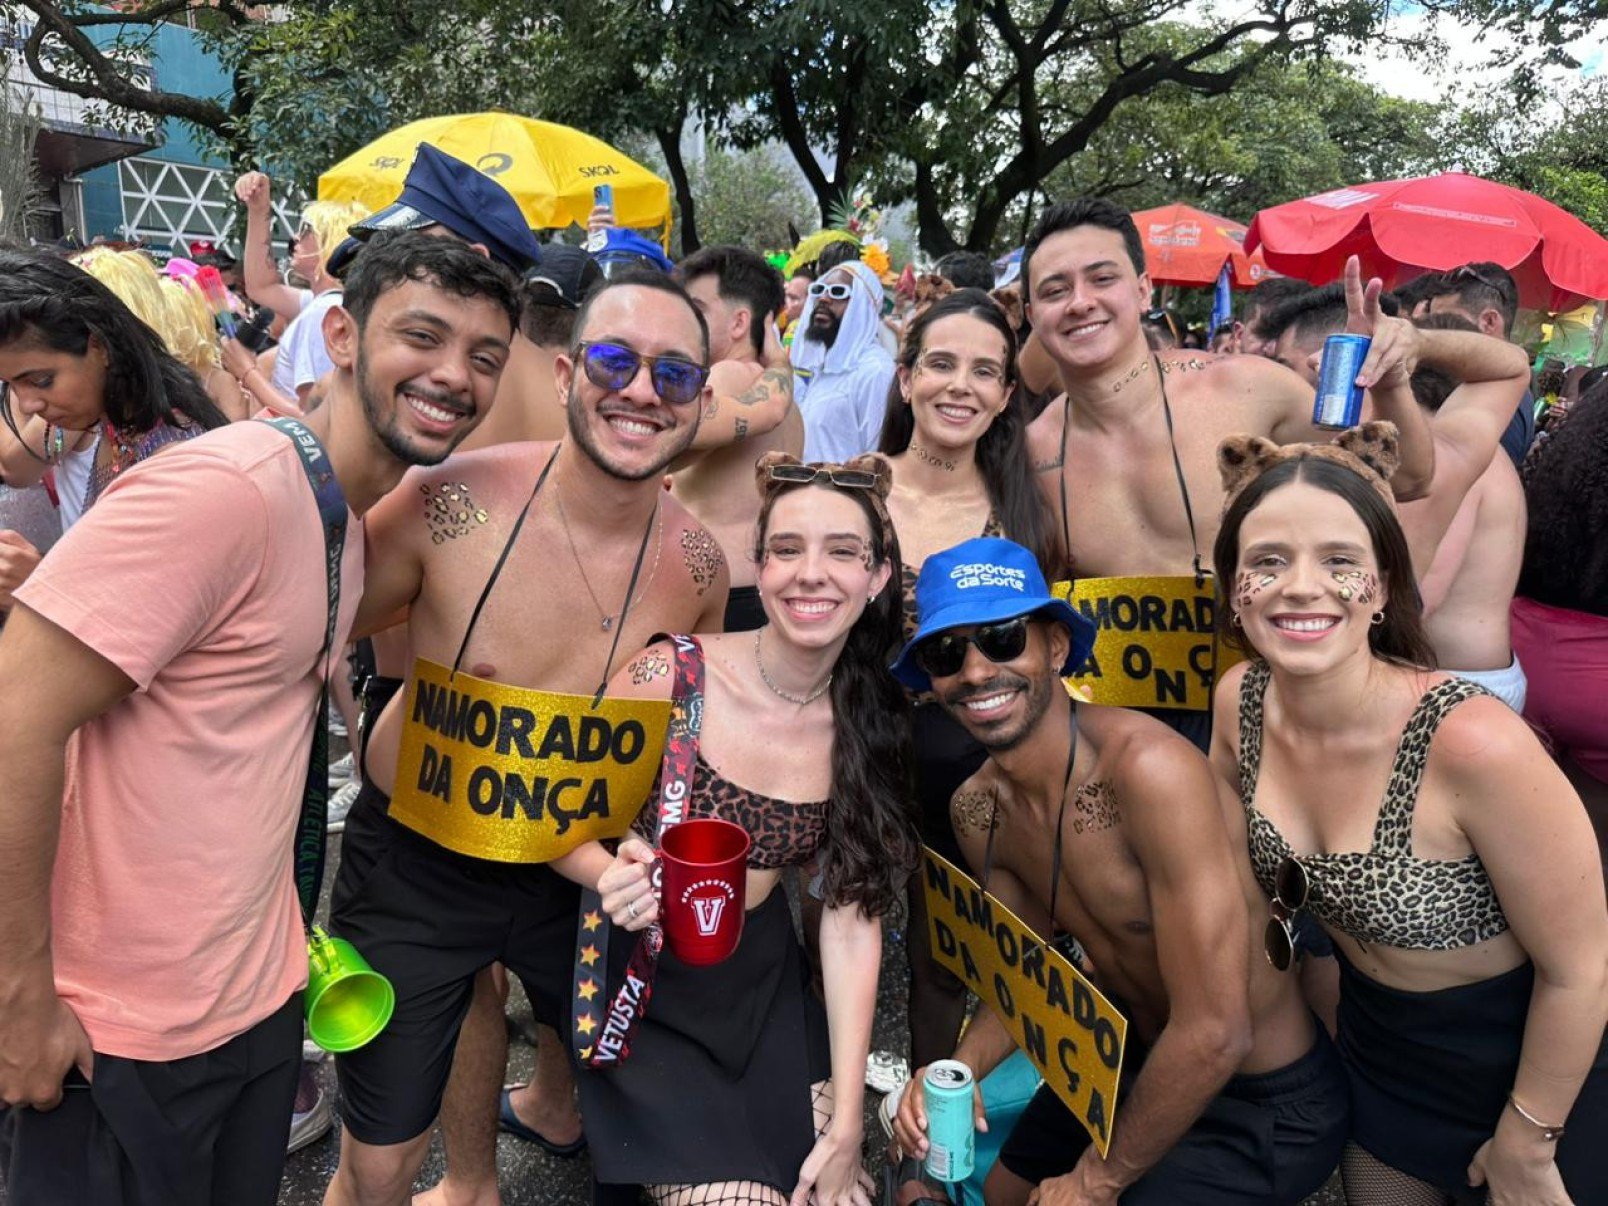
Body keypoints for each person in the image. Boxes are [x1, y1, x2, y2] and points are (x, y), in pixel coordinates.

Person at [0, 230, 520, 1206]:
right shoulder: (224, 490)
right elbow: (15, 717)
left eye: (484, 356)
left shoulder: (338, 519)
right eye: (423, 336)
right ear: (342, 336)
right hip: (123, 1035)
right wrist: (19, 999)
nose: (455, 374)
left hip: (255, 1006)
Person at [322, 271, 730, 1206]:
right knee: (378, 1167)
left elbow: (685, 744)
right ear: (564, 375)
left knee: (643, 1119)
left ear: (701, 401)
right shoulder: (451, 503)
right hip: (418, 863)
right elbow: (303, 624)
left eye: (673, 375)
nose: (641, 391)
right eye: (615, 362)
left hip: (576, 875)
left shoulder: (699, 565)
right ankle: (466, 1183)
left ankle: (486, 1174)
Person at [889, 536, 1349, 1206]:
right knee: (1005, 1193)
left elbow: (1218, 1030)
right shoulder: (978, 808)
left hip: (1261, 1098)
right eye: (946, 654)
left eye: (1003, 639)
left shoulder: (1148, 774)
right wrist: (955, 1074)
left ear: (1055, 647)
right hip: (1125, 1060)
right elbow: (1029, 980)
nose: (977, 671)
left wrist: (1096, 1182)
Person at [1210, 433, 1608, 1204]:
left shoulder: (1474, 742)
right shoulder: (1240, 703)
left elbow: (1582, 968)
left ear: (1384, 586)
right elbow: (1237, 891)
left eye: (1339, 559)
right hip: (1384, 1063)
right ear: (1233, 588)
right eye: (1267, 561)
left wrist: (1529, 1139)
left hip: (1543, 1070)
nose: (1301, 587)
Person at [582, 451, 915, 1205]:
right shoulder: (671, 677)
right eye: (787, 549)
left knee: (841, 1193)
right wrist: (608, 868)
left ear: (877, 577)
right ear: (758, 567)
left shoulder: (869, 717)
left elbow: (850, 917)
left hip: (760, 995)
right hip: (643, 992)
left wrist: (849, 1123)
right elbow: (558, 819)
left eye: (842, 552)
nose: (811, 574)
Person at [1023, 198, 1433, 750]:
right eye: (1055, 290)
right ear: (1032, 315)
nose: (1080, 302)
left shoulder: (1243, 388)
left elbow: (1410, 480)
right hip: (1130, 734)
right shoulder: (1033, 452)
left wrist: (1391, 378)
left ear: (1142, 290)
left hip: (1279, 709)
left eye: (1102, 278)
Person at [876, 290, 1060, 1073]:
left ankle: (932, 1120)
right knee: (828, 942)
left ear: (1007, 395)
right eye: (941, 364)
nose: (961, 386)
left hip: (971, 770)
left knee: (942, 958)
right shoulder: (852, 489)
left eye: (984, 371)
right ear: (906, 378)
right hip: (855, 757)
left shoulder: (1027, 509)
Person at [0, 250, 229, 532]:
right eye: (10, 385)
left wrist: (40, 562)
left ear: (100, 347)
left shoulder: (172, 461)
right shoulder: (114, 430)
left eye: (41, 380)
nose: (26, 405)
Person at [673, 244, 804, 632]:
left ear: (739, 323)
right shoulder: (791, 406)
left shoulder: (727, 376)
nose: (682, 321)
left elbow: (666, 440)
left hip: (716, 594)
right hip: (758, 588)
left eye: (696, 310)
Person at [1510, 377, 1608, 866]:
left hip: (1520, 656)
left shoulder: (1565, 463)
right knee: (1591, 860)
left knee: (1519, 843)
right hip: (1599, 690)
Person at [234, 169, 370, 408]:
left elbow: (313, 417)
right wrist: (258, 209)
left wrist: (246, 370)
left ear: (330, 239)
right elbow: (261, 287)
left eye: (306, 229)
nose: (296, 237)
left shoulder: (325, 312)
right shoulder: (331, 303)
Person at [1422, 262, 1535, 468]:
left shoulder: (1500, 401)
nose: (1434, 331)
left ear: (1489, 322)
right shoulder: (1490, 388)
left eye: (1446, 321)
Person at [791, 261, 896, 462]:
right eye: (819, 290)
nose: (824, 298)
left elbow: (878, 456)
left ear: (861, 307)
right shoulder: (820, 365)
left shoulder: (875, 370)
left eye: (838, 292)